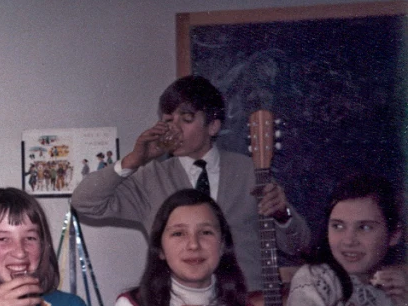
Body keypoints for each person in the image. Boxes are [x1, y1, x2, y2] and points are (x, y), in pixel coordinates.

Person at [71, 75, 312, 291]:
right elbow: (84, 203)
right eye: (167, 120)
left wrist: (283, 214)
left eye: (186, 119)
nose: (173, 129)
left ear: (213, 125)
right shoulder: (149, 177)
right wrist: (133, 160)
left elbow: (298, 245)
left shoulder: (249, 170)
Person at [111, 189, 265, 306]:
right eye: (178, 233)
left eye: (205, 232)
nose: (193, 245)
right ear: (160, 250)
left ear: (222, 246)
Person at [282, 173, 407, 306]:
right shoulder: (314, 278)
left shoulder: (396, 283)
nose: (348, 240)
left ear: (394, 235)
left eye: (364, 227)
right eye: (338, 226)